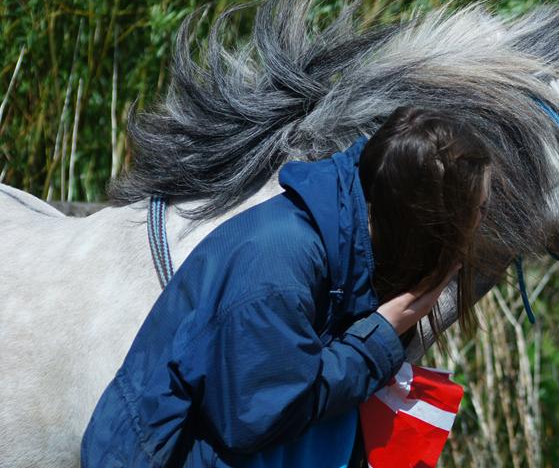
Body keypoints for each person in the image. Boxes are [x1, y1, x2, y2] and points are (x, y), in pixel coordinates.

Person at [81, 106, 492, 468]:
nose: (477, 225)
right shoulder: (279, 267)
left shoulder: (347, 239)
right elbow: (258, 416)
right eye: (477, 210)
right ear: (425, 222)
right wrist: (376, 341)